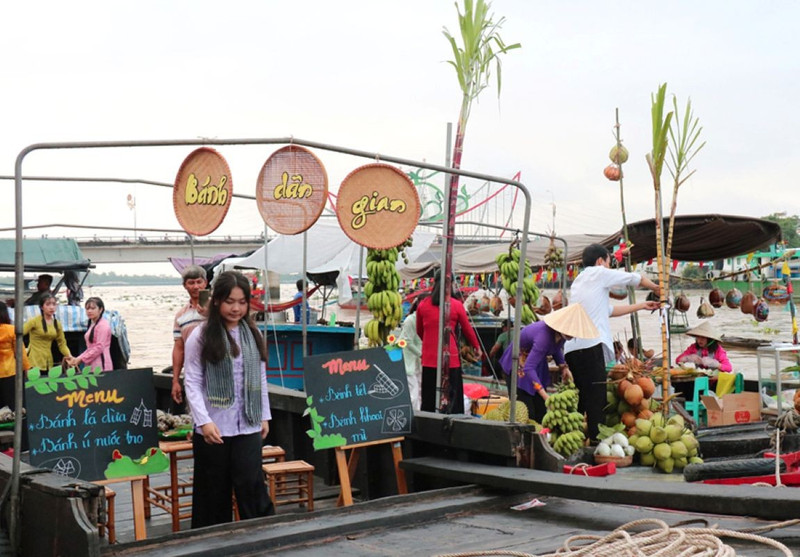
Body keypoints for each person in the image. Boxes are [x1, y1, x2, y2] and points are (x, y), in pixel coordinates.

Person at [183, 271, 274, 528]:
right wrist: (203, 421)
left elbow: (260, 377)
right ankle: (211, 543)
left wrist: (264, 414)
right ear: (216, 301)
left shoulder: (252, 334)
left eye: (242, 302)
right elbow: (192, 380)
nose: (236, 308)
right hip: (214, 427)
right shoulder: (200, 335)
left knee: (252, 486)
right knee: (213, 493)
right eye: (229, 301)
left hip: (248, 423)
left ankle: (262, 538)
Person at [564, 244, 660, 442]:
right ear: (600, 261)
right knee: (597, 399)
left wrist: (641, 305)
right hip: (591, 345)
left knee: (583, 396)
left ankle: (574, 438)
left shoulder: (579, 281)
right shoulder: (599, 273)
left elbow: (609, 310)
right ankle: (596, 444)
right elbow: (635, 278)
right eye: (609, 262)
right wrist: (658, 288)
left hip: (572, 348)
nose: (609, 267)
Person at [499, 304, 598, 422]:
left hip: (537, 363)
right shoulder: (543, 337)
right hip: (518, 363)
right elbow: (528, 368)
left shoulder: (561, 336)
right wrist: (545, 396)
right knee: (528, 410)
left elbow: (556, 349)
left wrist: (563, 367)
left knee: (541, 411)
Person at [415, 272, 482, 414]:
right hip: (450, 359)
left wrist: (430, 343)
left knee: (429, 398)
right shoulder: (457, 305)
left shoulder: (423, 305)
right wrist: (477, 347)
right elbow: (467, 329)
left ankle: (428, 428)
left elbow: (419, 331)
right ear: (451, 284)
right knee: (453, 400)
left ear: (434, 283)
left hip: (429, 360)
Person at [171, 265, 208, 406]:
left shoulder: (218, 307)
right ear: (184, 286)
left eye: (199, 282)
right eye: (191, 283)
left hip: (217, 369)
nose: (196, 286)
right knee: (195, 411)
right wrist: (175, 380)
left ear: (205, 282)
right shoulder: (181, 315)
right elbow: (179, 348)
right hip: (192, 372)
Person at [24, 293, 72, 370]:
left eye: (54, 304)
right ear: (41, 307)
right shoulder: (34, 321)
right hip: (33, 360)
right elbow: (19, 334)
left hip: (48, 361)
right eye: (48, 304)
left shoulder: (57, 323)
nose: (51, 307)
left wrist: (69, 356)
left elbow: (62, 344)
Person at [67, 297, 113, 371]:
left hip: (101, 363)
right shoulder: (93, 324)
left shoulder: (103, 325)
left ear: (100, 310)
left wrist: (81, 359)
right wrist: (78, 359)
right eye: (87, 309)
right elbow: (90, 348)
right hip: (92, 361)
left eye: (93, 308)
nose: (89, 311)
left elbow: (99, 347)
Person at [0, 301, 31, 410]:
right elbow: (20, 353)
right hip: (10, 373)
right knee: (16, 407)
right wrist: (26, 369)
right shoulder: (11, 330)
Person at [398, 295, 424, 411]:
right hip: (408, 359)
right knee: (413, 393)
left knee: (419, 391)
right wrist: (421, 354)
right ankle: (414, 417)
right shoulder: (410, 320)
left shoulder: (423, 319)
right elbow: (406, 341)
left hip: (418, 361)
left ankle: (420, 415)